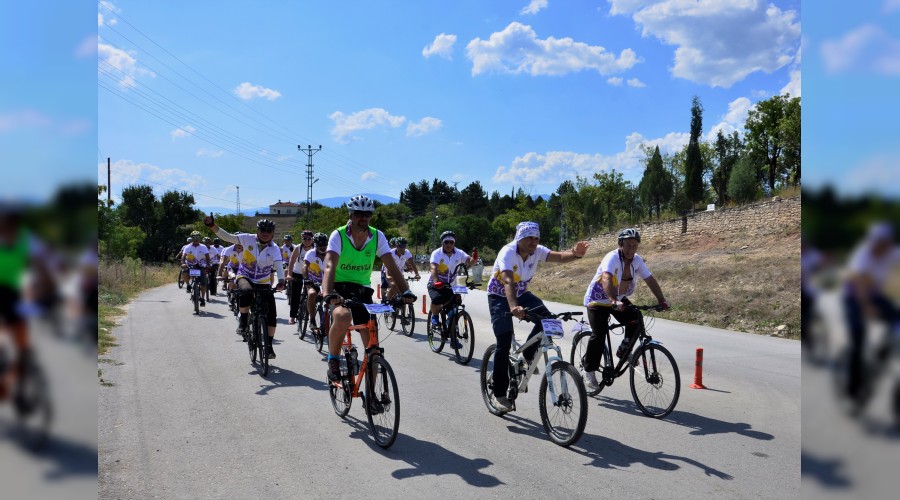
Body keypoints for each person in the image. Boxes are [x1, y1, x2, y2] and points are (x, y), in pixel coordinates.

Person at [486, 221, 589, 411]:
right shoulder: (508, 252)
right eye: (530, 238)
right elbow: (508, 280)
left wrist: (575, 255)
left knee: (548, 319)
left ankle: (527, 356)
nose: (534, 241)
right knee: (504, 340)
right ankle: (499, 394)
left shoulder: (537, 251)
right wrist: (514, 306)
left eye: (536, 238)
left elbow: (556, 256)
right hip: (500, 296)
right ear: (520, 238)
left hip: (521, 293)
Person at [321, 195, 415, 386]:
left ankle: (373, 396)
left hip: (363, 290)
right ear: (351, 214)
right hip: (339, 287)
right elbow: (330, 265)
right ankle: (333, 361)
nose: (362, 218)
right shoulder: (338, 235)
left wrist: (405, 291)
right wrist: (328, 293)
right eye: (358, 214)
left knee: (373, 348)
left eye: (367, 214)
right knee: (342, 316)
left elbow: (392, 266)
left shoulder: (377, 236)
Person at [579, 228, 669, 391]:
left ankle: (623, 351)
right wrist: (613, 300)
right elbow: (606, 278)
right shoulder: (612, 257)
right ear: (620, 244)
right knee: (599, 334)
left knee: (636, 318)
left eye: (634, 246)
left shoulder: (637, 261)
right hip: (597, 300)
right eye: (628, 245)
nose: (631, 249)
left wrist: (661, 300)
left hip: (617, 299)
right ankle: (588, 369)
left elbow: (650, 279)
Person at [205, 216, 284, 359]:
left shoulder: (275, 249)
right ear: (257, 231)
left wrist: (282, 280)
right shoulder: (247, 239)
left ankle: (269, 346)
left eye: (269, 231)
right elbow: (227, 236)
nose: (265, 233)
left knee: (271, 314)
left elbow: (278, 265)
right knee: (246, 291)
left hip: (263, 281)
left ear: (272, 233)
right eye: (262, 230)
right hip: (245, 276)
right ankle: (243, 320)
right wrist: (212, 225)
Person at [842, 221, 900, 403]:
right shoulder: (863, 254)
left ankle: (884, 350)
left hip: (876, 295)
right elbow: (858, 283)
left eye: (885, 242)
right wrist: (867, 307)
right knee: (858, 337)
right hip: (854, 297)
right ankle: (853, 389)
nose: (882, 246)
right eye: (879, 242)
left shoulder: (893, 254)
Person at [427, 231, 472, 334]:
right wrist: (436, 281)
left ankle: (453, 339)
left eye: (451, 242)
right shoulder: (437, 253)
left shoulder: (459, 253)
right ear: (442, 243)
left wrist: (473, 258)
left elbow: (469, 260)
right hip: (437, 284)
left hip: (452, 285)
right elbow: (433, 268)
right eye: (446, 242)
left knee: (455, 306)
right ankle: (434, 317)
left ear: (454, 243)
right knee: (437, 299)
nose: (449, 245)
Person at [286, 230, 315, 324]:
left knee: (312, 294)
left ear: (312, 239)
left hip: (310, 274)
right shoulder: (298, 248)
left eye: (309, 238)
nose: (307, 240)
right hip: (297, 273)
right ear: (302, 239)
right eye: (305, 238)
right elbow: (291, 262)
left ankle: (311, 315)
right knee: (295, 295)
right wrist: (289, 274)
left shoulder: (315, 248)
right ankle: (293, 316)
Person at [301, 232, 328, 331]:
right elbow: (305, 266)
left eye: (325, 244)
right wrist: (306, 278)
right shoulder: (311, 253)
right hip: (312, 281)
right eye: (320, 245)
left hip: (326, 282)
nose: (323, 247)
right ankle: (312, 320)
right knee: (312, 294)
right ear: (315, 244)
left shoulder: (330, 253)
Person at [381, 236, 420, 302]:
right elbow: (387, 265)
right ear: (396, 246)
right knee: (394, 285)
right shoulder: (391, 252)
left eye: (404, 246)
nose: (402, 248)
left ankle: (403, 309)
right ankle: (387, 301)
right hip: (390, 272)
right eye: (400, 246)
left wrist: (417, 274)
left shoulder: (407, 252)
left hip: (399, 273)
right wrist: (388, 275)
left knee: (406, 288)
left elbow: (412, 263)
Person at [181, 231, 212, 306]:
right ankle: (188, 284)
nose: (196, 239)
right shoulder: (187, 247)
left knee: (203, 284)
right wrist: (183, 263)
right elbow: (183, 256)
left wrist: (208, 264)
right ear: (191, 239)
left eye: (198, 237)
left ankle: (202, 298)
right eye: (194, 238)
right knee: (184, 271)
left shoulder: (203, 247)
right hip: (190, 265)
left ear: (200, 238)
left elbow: (207, 257)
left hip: (201, 266)